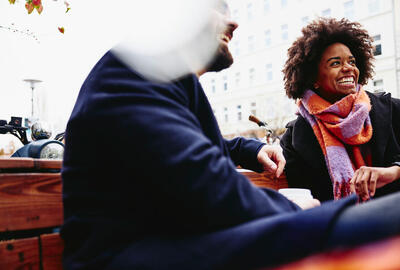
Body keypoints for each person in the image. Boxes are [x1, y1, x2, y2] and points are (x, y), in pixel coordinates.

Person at [61, 4, 400, 270]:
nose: (233, 23)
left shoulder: (165, 79)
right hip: (140, 256)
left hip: (184, 240)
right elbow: (206, 183)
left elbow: (177, 146)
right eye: (216, 8)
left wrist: (252, 150)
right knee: (378, 227)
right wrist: (294, 208)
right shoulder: (133, 67)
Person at [281, 18, 400, 202]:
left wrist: (393, 172)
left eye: (352, 62)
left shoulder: (391, 110)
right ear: (314, 78)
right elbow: (305, 196)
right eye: (335, 63)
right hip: (340, 224)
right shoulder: (295, 138)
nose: (348, 68)